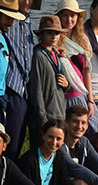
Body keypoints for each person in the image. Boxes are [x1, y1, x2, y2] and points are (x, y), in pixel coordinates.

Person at [1, 0, 45, 148]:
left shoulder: (28, 22)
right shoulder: (5, 18)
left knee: (21, 137)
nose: (27, 1)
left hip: (26, 86)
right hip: (12, 85)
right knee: (11, 139)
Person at [24, 14, 71, 147]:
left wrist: (66, 85)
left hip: (58, 113)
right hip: (44, 118)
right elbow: (36, 90)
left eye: (57, 33)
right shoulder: (38, 55)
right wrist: (42, 120)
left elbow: (63, 84)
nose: (54, 36)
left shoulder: (55, 54)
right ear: (42, 34)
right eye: (50, 33)